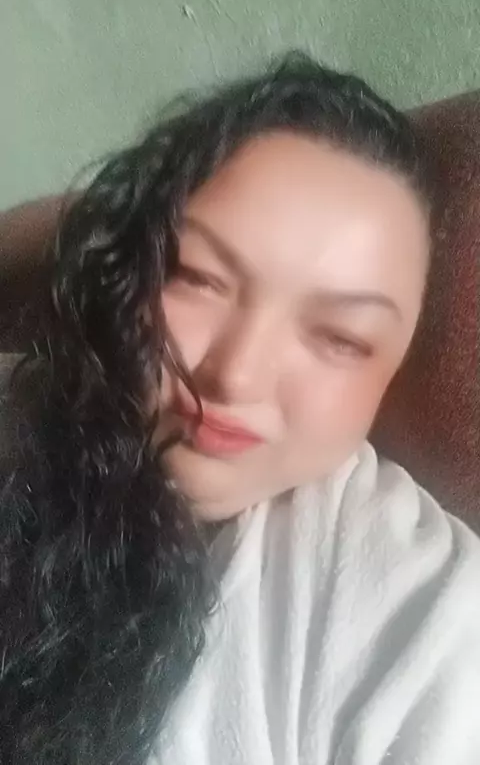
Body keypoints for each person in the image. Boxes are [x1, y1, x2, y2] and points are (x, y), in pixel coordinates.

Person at [0, 52, 479, 765]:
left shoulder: (408, 601)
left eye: (341, 337)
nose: (236, 375)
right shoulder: (22, 410)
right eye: (196, 278)